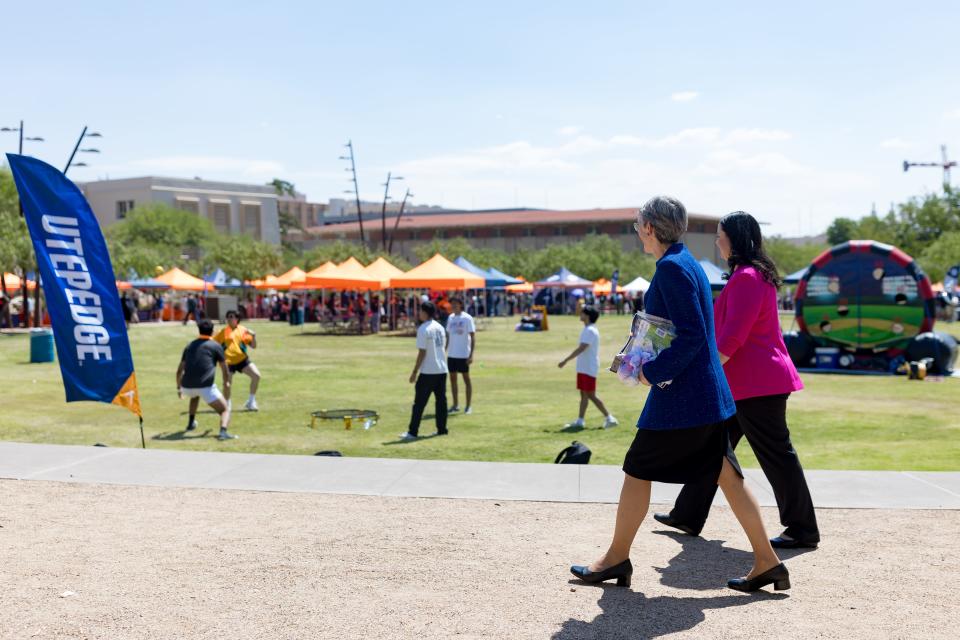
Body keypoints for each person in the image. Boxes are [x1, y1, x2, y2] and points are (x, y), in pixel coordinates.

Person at [569, 196, 789, 593]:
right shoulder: (684, 263)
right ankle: (768, 562)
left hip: (684, 400)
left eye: (639, 225)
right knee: (728, 476)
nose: (637, 232)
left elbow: (689, 337)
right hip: (704, 396)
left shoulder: (672, 268)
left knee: (637, 469)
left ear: (651, 228)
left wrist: (651, 372)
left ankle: (616, 558)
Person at [654, 211, 819, 549]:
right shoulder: (753, 275)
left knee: (776, 454)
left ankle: (802, 528)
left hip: (756, 384)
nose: (717, 241)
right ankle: (687, 514)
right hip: (747, 383)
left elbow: (732, 339)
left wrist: (701, 372)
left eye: (720, 235)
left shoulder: (746, 277)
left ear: (735, 239)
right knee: (712, 450)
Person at [558, 306, 618, 429]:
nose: (580, 314)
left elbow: (582, 348)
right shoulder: (587, 329)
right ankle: (580, 421)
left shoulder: (590, 330)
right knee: (583, 394)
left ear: (588, 316)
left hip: (589, 367)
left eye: (583, 313)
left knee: (590, 394)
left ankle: (609, 418)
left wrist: (565, 360)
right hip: (584, 367)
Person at [176, 319, 236, 441]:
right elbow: (224, 369)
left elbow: (179, 370)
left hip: (186, 387)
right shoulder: (216, 346)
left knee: (194, 395)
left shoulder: (189, 345)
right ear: (212, 331)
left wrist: (179, 388)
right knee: (225, 409)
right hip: (205, 387)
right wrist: (226, 382)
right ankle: (223, 432)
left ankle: (191, 423)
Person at [400, 301, 448, 440]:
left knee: (419, 403)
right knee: (441, 401)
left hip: (428, 371)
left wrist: (415, 371)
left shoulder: (423, 329)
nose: (418, 313)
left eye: (420, 311)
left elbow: (422, 352)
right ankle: (442, 429)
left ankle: (412, 432)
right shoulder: (440, 327)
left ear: (425, 313)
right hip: (442, 369)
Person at [213, 310, 261, 412]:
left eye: (231, 317)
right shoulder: (222, 332)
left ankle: (251, 401)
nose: (229, 319)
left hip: (242, 360)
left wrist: (254, 336)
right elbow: (212, 344)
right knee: (227, 384)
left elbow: (253, 346)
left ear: (237, 319)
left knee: (256, 376)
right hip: (228, 363)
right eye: (228, 317)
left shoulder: (243, 330)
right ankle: (227, 404)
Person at [445, 297, 476, 414]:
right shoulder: (450, 318)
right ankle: (455, 404)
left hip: (463, 354)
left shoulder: (467, 318)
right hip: (452, 354)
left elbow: (472, 336)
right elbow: (448, 336)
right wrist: (444, 350)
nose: (453, 306)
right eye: (452, 304)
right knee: (453, 380)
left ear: (460, 305)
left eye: (455, 303)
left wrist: (471, 355)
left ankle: (468, 406)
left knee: (466, 380)